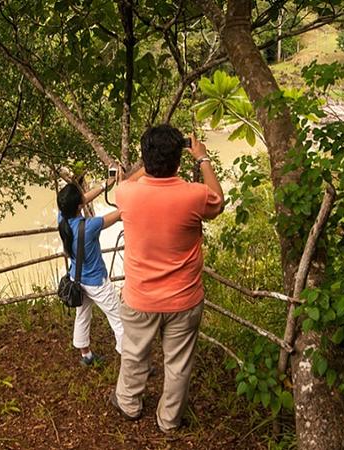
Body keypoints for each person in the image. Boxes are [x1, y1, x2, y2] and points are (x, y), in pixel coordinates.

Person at [110, 125, 224, 433]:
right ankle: (169, 420)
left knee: (134, 355)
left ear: (145, 159)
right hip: (183, 299)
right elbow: (219, 200)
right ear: (178, 159)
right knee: (178, 364)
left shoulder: (126, 194)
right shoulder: (195, 196)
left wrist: (147, 163)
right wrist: (202, 158)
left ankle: (129, 403)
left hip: (140, 297)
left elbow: (132, 181)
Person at [57, 176, 124, 366]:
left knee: (82, 315)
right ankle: (130, 361)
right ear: (79, 206)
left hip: (77, 279)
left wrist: (105, 185)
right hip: (97, 283)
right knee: (119, 319)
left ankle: (86, 355)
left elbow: (81, 200)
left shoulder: (62, 218)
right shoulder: (90, 226)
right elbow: (121, 213)